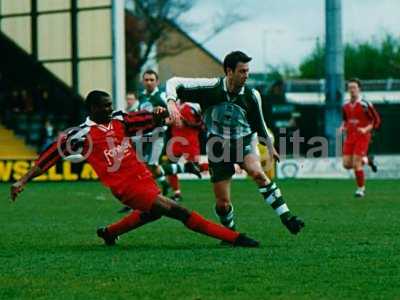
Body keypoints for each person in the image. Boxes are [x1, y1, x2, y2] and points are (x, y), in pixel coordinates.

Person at [10, 90, 258, 248]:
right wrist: (23, 180)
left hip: (143, 177)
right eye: (104, 106)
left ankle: (109, 233)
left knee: (153, 213)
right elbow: (49, 156)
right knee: (178, 211)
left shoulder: (119, 120)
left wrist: (159, 115)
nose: (109, 109)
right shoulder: (80, 134)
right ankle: (234, 238)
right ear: (92, 109)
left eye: (110, 105)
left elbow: (145, 119)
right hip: (126, 188)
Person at [166, 51, 304, 234]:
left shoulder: (252, 95)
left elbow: (260, 123)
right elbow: (173, 81)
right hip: (217, 146)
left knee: (258, 174)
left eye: (247, 71)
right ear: (229, 72)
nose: (246, 75)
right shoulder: (210, 88)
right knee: (222, 205)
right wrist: (171, 102)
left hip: (243, 142)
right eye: (242, 71)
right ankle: (231, 231)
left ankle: (287, 217)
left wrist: (270, 147)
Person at [341, 78, 381, 198]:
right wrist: (343, 126)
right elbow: (346, 120)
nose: (352, 90)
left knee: (356, 163)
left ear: (359, 89)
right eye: (349, 88)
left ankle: (361, 189)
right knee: (346, 164)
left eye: (354, 87)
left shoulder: (365, 104)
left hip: (363, 136)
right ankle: (368, 160)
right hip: (350, 137)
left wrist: (366, 129)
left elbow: (376, 120)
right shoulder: (345, 105)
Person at [167, 102, 209, 202]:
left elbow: (203, 125)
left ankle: (219, 166)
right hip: (176, 140)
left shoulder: (195, 105)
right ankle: (177, 193)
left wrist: (186, 123)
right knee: (170, 167)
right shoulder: (173, 104)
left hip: (190, 141)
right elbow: (168, 120)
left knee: (195, 167)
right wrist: (169, 121)